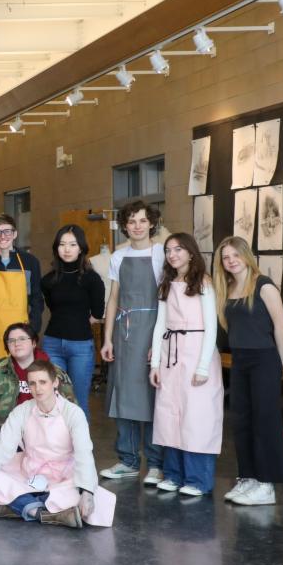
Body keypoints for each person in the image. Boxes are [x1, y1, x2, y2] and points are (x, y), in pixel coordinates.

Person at [0, 361, 116, 528]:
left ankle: (18, 506)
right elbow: (1, 447)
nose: (37, 388)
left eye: (43, 382)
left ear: (55, 383)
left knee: (87, 493)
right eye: (32, 383)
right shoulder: (22, 410)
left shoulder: (73, 413)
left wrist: (87, 491)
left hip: (63, 476)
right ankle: (47, 514)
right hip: (29, 472)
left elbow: (84, 453)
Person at [148, 233, 223, 497]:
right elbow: (160, 325)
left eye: (178, 249)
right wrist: (155, 363)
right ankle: (173, 474)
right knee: (169, 415)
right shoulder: (166, 283)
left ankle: (198, 479)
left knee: (197, 417)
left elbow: (211, 327)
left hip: (196, 351)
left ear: (191, 252)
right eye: (168, 250)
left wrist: (203, 366)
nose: (172, 254)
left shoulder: (203, 282)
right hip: (171, 353)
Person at [215, 237, 283, 506]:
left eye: (235, 255)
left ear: (246, 256)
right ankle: (248, 477)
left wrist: (280, 360)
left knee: (265, 422)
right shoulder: (228, 287)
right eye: (226, 257)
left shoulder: (263, 285)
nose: (231, 261)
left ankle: (266, 484)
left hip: (264, 359)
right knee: (242, 420)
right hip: (240, 360)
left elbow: (281, 325)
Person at [99, 200, 165, 482]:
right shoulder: (118, 256)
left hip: (153, 329)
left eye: (142, 220)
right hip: (123, 334)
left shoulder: (162, 254)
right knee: (122, 395)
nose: (137, 226)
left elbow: (168, 299)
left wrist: (159, 342)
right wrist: (107, 339)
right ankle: (127, 460)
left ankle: (156, 463)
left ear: (151, 223)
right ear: (125, 226)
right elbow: (113, 299)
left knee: (151, 398)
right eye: (131, 221)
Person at [0, 323, 75, 459]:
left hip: (48, 448)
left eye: (22, 339)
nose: (17, 344)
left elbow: (71, 415)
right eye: (11, 341)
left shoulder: (55, 373)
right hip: (5, 446)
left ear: (33, 343)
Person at [40, 224, 105, 419]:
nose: (67, 249)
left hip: (80, 347)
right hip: (52, 344)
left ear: (81, 248)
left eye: (72, 244)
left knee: (78, 401)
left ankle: (79, 440)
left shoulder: (92, 279)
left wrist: (78, 322)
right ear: (56, 248)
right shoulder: (48, 280)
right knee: (53, 399)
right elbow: (53, 308)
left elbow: (97, 313)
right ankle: (56, 439)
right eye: (62, 244)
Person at [0, 214, 43, 362]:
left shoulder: (30, 262)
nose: (2, 236)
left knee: (21, 373)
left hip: (22, 334)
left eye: (7, 231)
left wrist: (33, 328)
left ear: (15, 234)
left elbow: (37, 299)